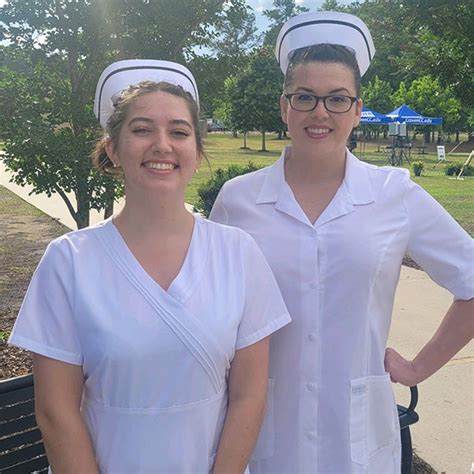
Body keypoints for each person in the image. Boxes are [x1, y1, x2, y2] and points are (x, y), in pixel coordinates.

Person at [210, 11, 473, 473]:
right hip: (264, 434)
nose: (319, 113)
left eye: (337, 99)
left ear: (356, 109)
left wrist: (417, 368)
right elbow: (208, 312)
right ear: (284, 106)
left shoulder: (395, 193)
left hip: (359, 441)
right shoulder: (239, 200)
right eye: (305, 97)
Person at [9, 59, 291, 474]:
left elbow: (249, 396)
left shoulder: (239, 253)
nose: (162, 144)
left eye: (179, 132)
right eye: (141, 130)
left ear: (196, 152)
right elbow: (56, 411)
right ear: (113, 149)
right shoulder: (69, 261)